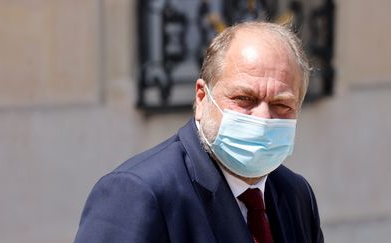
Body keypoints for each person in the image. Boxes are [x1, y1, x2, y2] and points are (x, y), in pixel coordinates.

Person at [74, 21, 323, 243]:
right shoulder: (138, 192)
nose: (263, 117)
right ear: (202, 98)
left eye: (281, 104)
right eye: (244, 98)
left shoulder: (296, 195)